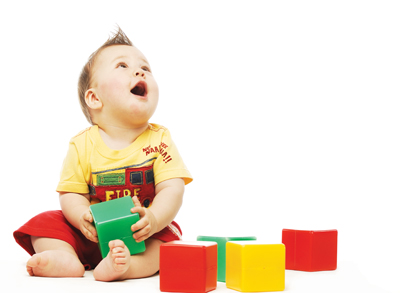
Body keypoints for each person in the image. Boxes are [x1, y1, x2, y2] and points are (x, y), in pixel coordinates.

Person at [13, 27, 193, 282]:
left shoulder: (160, 139)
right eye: (122, 65)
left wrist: (153, 219)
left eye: (146, 67)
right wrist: (82, 218)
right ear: (94, 98)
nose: (140, 71)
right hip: (92, 235)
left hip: (140, 234)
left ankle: (127, 266)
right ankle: (65, 256)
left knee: (169, 242)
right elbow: (72, 193)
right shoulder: (82, 144)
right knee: (43, 223)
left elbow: (172, 189)